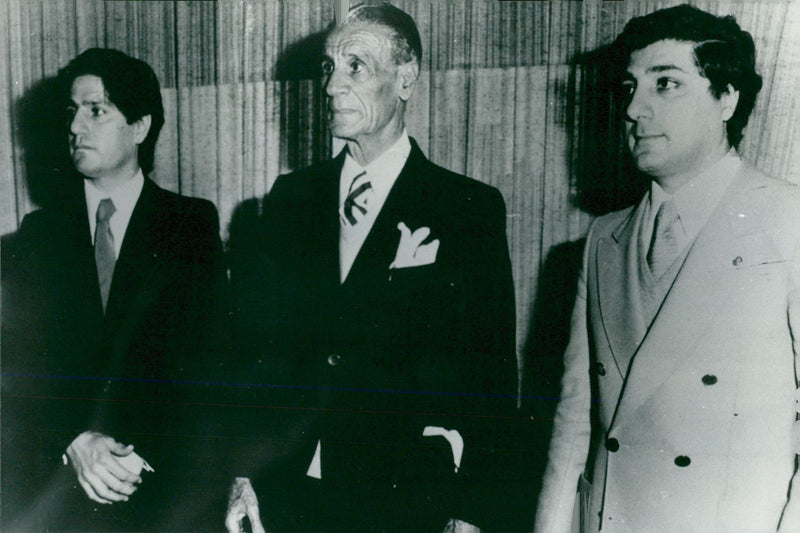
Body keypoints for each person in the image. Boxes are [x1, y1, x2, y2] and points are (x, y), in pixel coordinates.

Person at [226, 3, 519, 532]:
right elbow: (257, 351)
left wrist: (474, 512)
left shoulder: (465, 206)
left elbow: (491, 372)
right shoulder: (291, 199)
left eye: (354, 65)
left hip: (405, 494)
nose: (332, 85)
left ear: (406, 78)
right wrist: (243, 473)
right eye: (327, 67)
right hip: (291, 490)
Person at [533, 5, 800, 533]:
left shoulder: (787, 221)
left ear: (727, 98)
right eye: (630, 87)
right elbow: (573, 427)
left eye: (666, 85)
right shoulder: (601, 240)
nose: (634, 109)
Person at [1, 48, 230, 531]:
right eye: (72, 111)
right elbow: (18, 367)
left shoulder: (190, 226)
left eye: (96, 110)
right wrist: (75, 440)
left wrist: (132, 454)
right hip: (60, 488)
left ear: (141, 127)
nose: (75, 126)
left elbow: (208, 364)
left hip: (160, 488)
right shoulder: (39, 235)